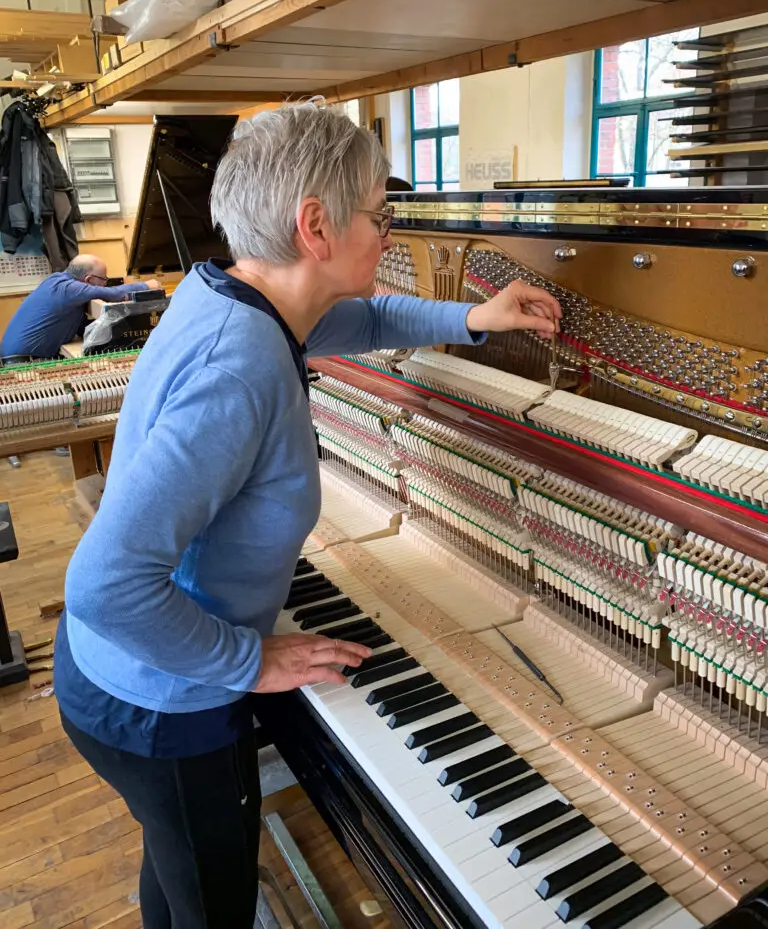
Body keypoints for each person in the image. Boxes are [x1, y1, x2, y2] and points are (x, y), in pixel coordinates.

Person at [54, 103, 561, 929]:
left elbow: (364, 318)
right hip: (157, 701)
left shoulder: (234, 295)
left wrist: (471, 319)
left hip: (122, 680)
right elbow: (106, 584)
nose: (389, 232)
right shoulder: (239, 367)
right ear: (316, 225)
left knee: (175, 875)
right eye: (380, 214)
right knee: (212, 906)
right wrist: (250, 663)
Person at [0, 254, 161, 361]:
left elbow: (82, 327)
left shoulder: (56, 280)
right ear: (89, 279)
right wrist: (146, 285)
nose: (106, 282)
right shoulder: (70, 288)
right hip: (22, 362)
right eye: (104, 279)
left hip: (21, 356)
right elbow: (112, 294)